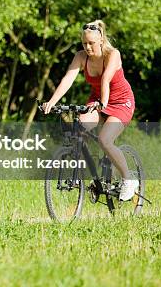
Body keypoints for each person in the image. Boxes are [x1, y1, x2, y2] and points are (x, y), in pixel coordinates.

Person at [42, 20, 138, 201]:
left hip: (120, 102)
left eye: (91, 43)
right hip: (97, 101)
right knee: (78, 127)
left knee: (105, 139)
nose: (87, 47)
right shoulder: (80, 57)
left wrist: (103, 102)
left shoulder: (113, 54)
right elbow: (68, 79)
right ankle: (79, 174)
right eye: (84, 43)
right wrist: (51, 102)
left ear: (101, 40)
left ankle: (128, 179)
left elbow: (105, 80)